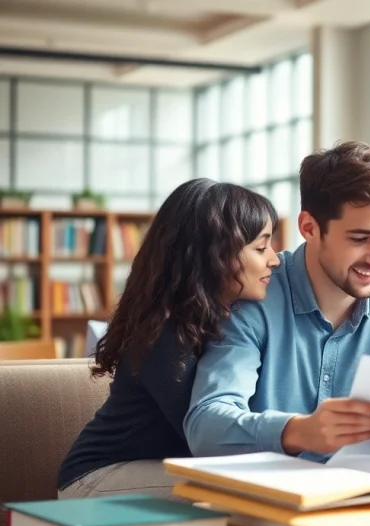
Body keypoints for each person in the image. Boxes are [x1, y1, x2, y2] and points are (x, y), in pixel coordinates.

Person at [184, 141, 370, 459]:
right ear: (309, 228)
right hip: (270, 495)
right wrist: (299, 431)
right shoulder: (254, 299)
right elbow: (205, 428)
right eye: (360, 239)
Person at [57, 179, 280, 499]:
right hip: (97, 476)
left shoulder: (223, 322)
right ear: (214, 254)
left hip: (160, 468)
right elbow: (208, 439)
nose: (274, 259)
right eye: (261, 247)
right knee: (245, 493)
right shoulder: (164, 333)